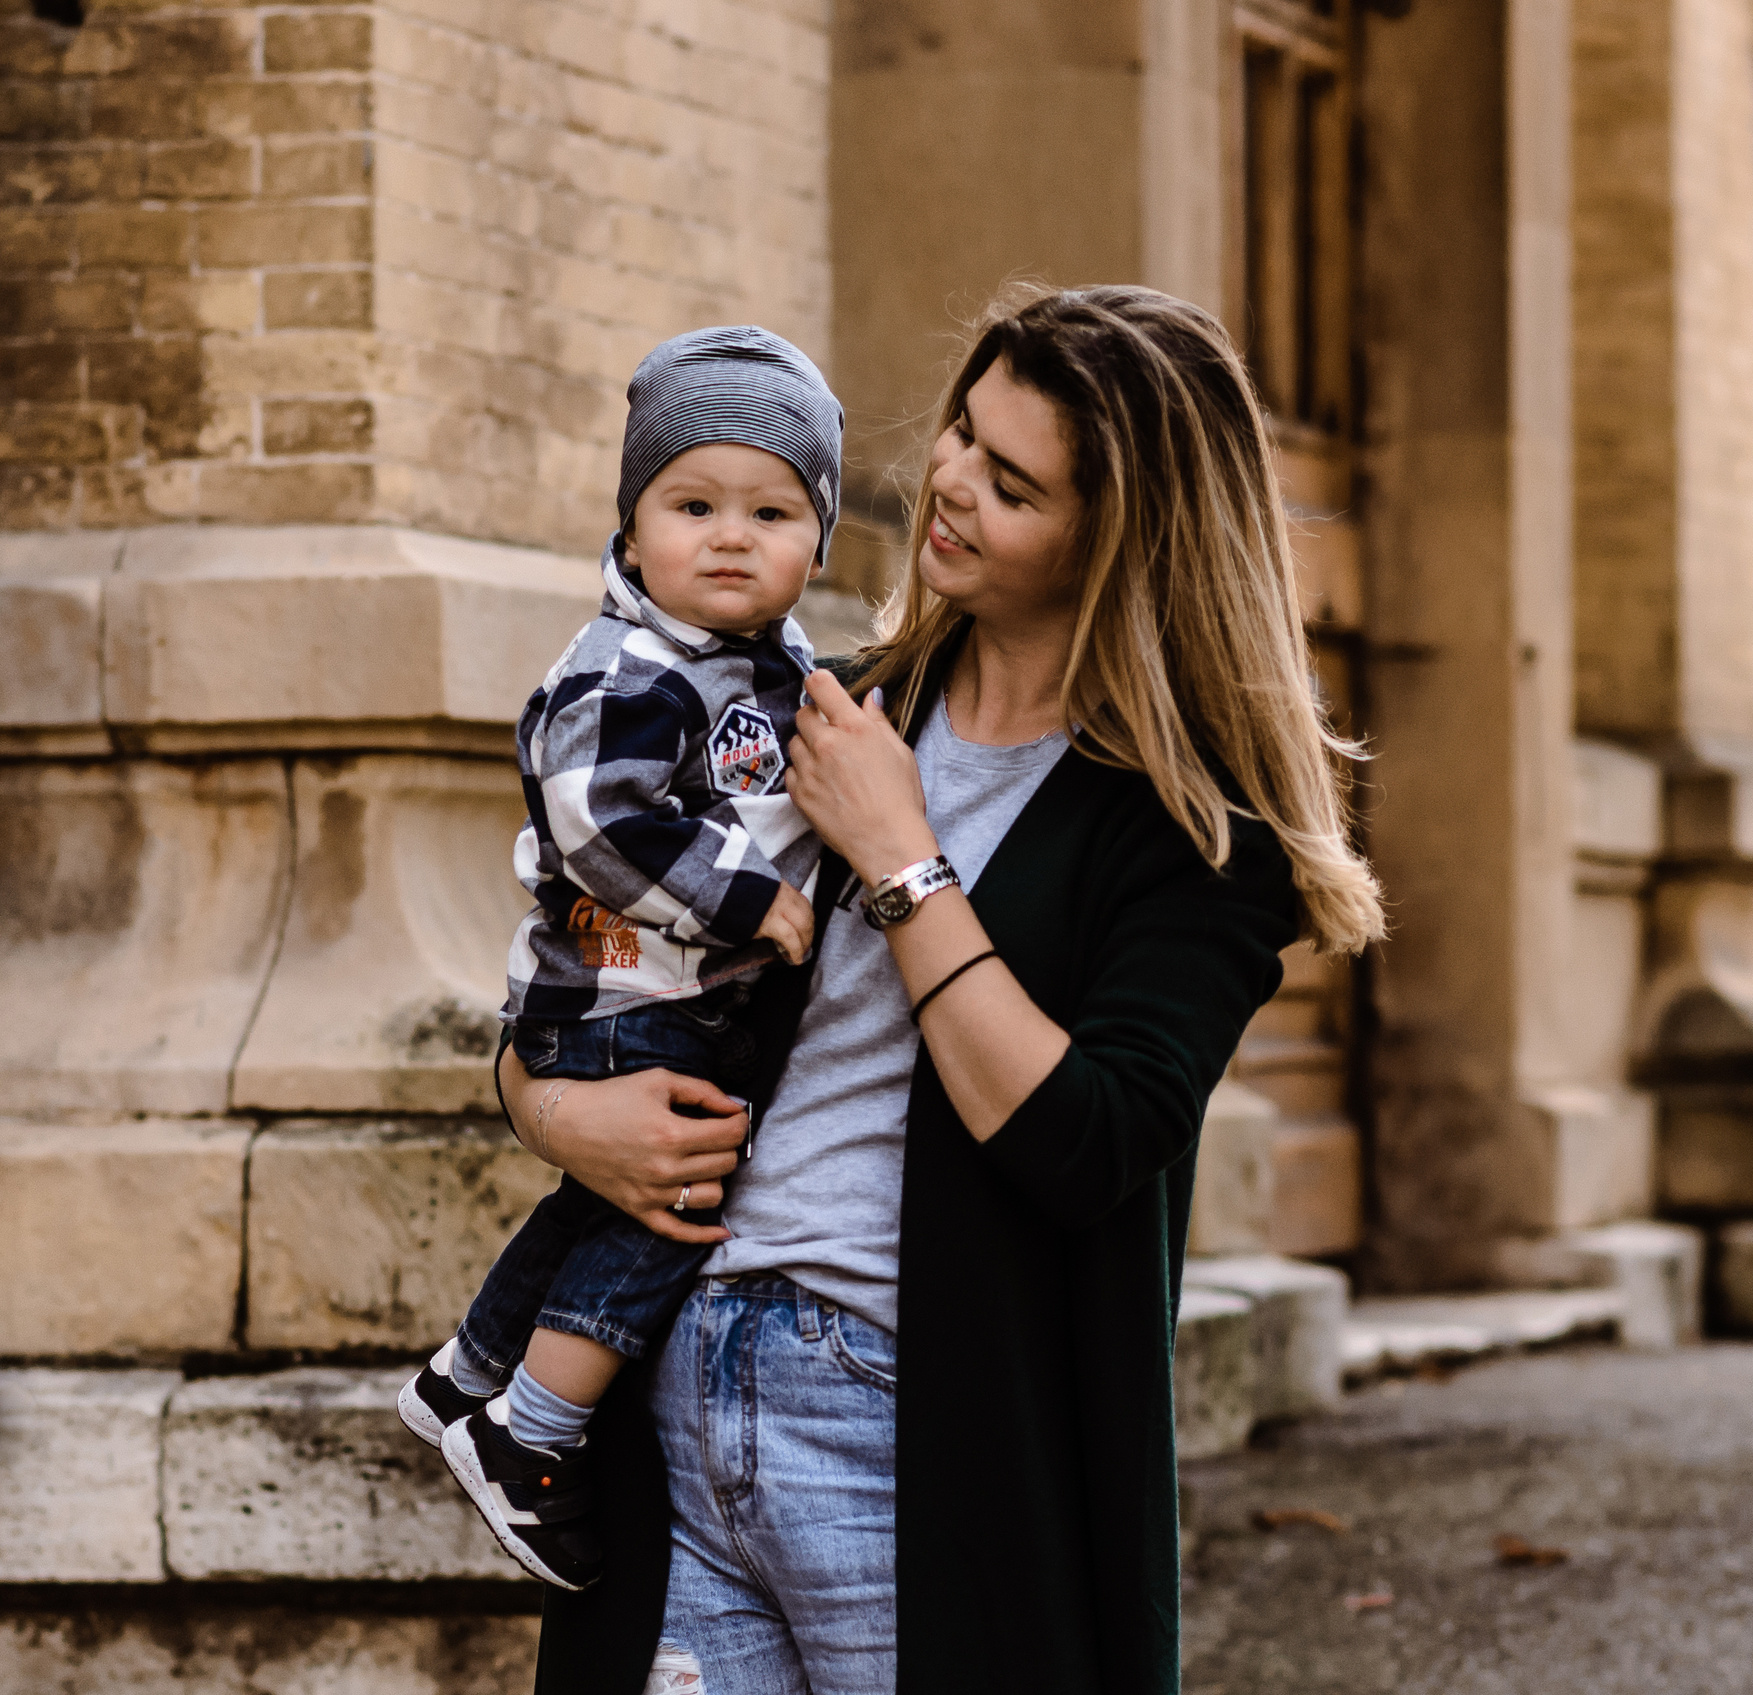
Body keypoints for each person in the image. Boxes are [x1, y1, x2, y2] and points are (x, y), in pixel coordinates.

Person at [492, 284, 1387, 1695]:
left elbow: (1088, 1139)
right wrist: (552, 1111)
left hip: (913, 1428)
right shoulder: (817, 705)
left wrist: (902, 858)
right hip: (673, 1378)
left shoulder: (1195, 835)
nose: (952, 482)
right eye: (964, 430)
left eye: (1013, 484)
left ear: (1119, 541)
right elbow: (588, 951)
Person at [397, 326, 845, 1592]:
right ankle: (530, 1435)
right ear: (632, 527)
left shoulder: (776, 669)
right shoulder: (629, 668)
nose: (729, 537)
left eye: (771, 513)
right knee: (677, 1201)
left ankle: (466, 1376)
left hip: (659, 998)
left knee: (598, 1202)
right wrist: (750, 902)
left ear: (818, 545)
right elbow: (600, 826)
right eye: (692, 506)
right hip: (620, 996)